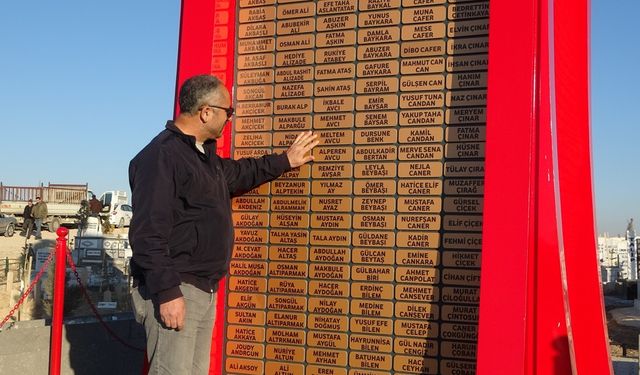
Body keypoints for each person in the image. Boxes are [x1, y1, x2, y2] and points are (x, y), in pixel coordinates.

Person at [129, 74, 318, 374]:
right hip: (176, 289)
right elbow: (147, 233)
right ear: (206, 112)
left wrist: (286, 161)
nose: (230, 118)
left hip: (200, 290)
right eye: (228, 112)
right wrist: (167, 293)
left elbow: (243, 172)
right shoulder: (162, 157)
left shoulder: (204, 158)